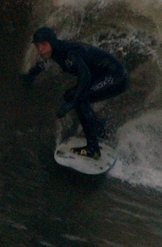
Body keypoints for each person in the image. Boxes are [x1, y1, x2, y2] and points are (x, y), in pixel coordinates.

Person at [22, 26, 128, 159]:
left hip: (116, 76)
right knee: (71, 95)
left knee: (79, 99)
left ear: (51, 43)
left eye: (43, 44)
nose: (40, 49)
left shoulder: (70, 53)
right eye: (37, 45)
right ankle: (99, 129)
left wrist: (72, 103)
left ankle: (93, 149)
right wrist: (29, 76)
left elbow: (85, 76)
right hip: (101, 75)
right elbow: (41, 64)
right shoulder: (53, 52)